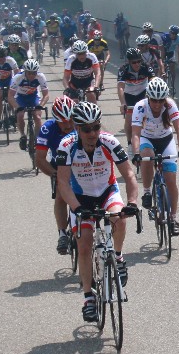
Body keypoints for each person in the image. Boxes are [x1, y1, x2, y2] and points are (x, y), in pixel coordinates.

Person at [54, 101, 140, 323]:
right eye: (86, 129)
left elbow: (129, 175)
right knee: (84, 244)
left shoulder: (109, 142)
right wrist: (76, 208)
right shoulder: (67, 146)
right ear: (77, 128)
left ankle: (118, 257)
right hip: (80, 198)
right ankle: (88, 298)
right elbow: (62, 183)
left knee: (119, 218)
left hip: (106, 192)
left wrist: (132, 202)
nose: (92, 133)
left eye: (96, 127)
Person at [131, 77, 179, 235]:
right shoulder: (140, 107)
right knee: (147, 155)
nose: (157, 104)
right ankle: (147, 191)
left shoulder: (170, 105)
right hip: (147, 139)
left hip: (165, 140)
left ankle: (173, 218)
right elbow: (135, 134)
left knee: (171, 180)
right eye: (154, 100)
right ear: (148, 97)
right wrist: (136, 153)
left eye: (160, 100)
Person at [35, 95, 79, 255]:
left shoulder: (81, 124)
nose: (68, 125)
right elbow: (39, 159)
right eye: (63, 122)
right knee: (61, 195)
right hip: (59, 165)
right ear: (55, 120)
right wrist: (54, 174)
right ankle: (62, 234)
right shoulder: (48, 128)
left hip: (80, 164)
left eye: (70, 120)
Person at [116, 47, 157, 137]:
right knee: (129, 119)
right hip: (129, 95)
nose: (137, 64)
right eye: (134, 62)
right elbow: (120, 87)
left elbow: (153, 81)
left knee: (145, 117)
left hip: (143, 94)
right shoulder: (123, 69)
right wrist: (123, 103)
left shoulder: (146, 67)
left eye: (139, 61)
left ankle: (145, 136)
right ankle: (129, 142)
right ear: (129, 62)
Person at [12, 59, 49, 150]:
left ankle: (37, 138)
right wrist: (17, 107)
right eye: (29, 73)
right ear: (25, 71)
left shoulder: (40, 76)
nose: (31, 75)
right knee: (20, 115)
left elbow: (46, 95)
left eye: (34, 73)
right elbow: (10, 96)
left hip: (33, 96)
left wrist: (40, 106)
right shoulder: (18, 77)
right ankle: (22, 135)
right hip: (20, 97)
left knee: (37, 116)